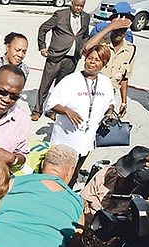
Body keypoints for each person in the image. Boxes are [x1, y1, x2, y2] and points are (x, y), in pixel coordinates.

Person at [46, 44, 115, 174]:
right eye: (90, 58)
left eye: (97, 60)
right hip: (65, 141)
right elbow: (50, 104)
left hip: (86, 142)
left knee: (73, 175)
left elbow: (111, 103)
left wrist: (109, 112)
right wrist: (67, 111)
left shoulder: (106, 83)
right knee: (55, 176)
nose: (92, 62)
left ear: (104, 64)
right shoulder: (70, 80)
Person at [32, 0, 91, 121]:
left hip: (72, 59)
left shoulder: (86, 17)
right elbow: (43, 29)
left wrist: (82, 49)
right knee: (45, 85)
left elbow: (85, 35)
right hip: (55, 56)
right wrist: (42, 47)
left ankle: (53, 110)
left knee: (61, 88)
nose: (79, 8)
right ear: (72, 3)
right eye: (77, 5)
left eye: (82, 6)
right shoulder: (60, 15)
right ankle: (37, 110)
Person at [84, 10, 136, 117]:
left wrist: (124, 102)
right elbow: (87, 48)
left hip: (109, 94)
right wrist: (109, 28)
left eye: (123, 30)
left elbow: (124, 78)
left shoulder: (130, 49)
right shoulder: (101, 43)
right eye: (116, 29)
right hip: (91, 90)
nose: (119, 33)